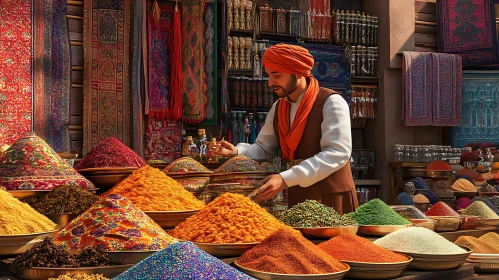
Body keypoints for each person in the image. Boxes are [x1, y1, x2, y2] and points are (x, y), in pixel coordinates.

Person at [216, 43, 359, 214]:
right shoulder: (279, 108)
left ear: (298, 72)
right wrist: (237, 153)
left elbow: (337, 152)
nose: (270, 82)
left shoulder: (331, 102)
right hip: (298, 196)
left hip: (332, 198)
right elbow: (264, 149)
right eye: (268, 75)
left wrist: (286, 178)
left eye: (276, 75)